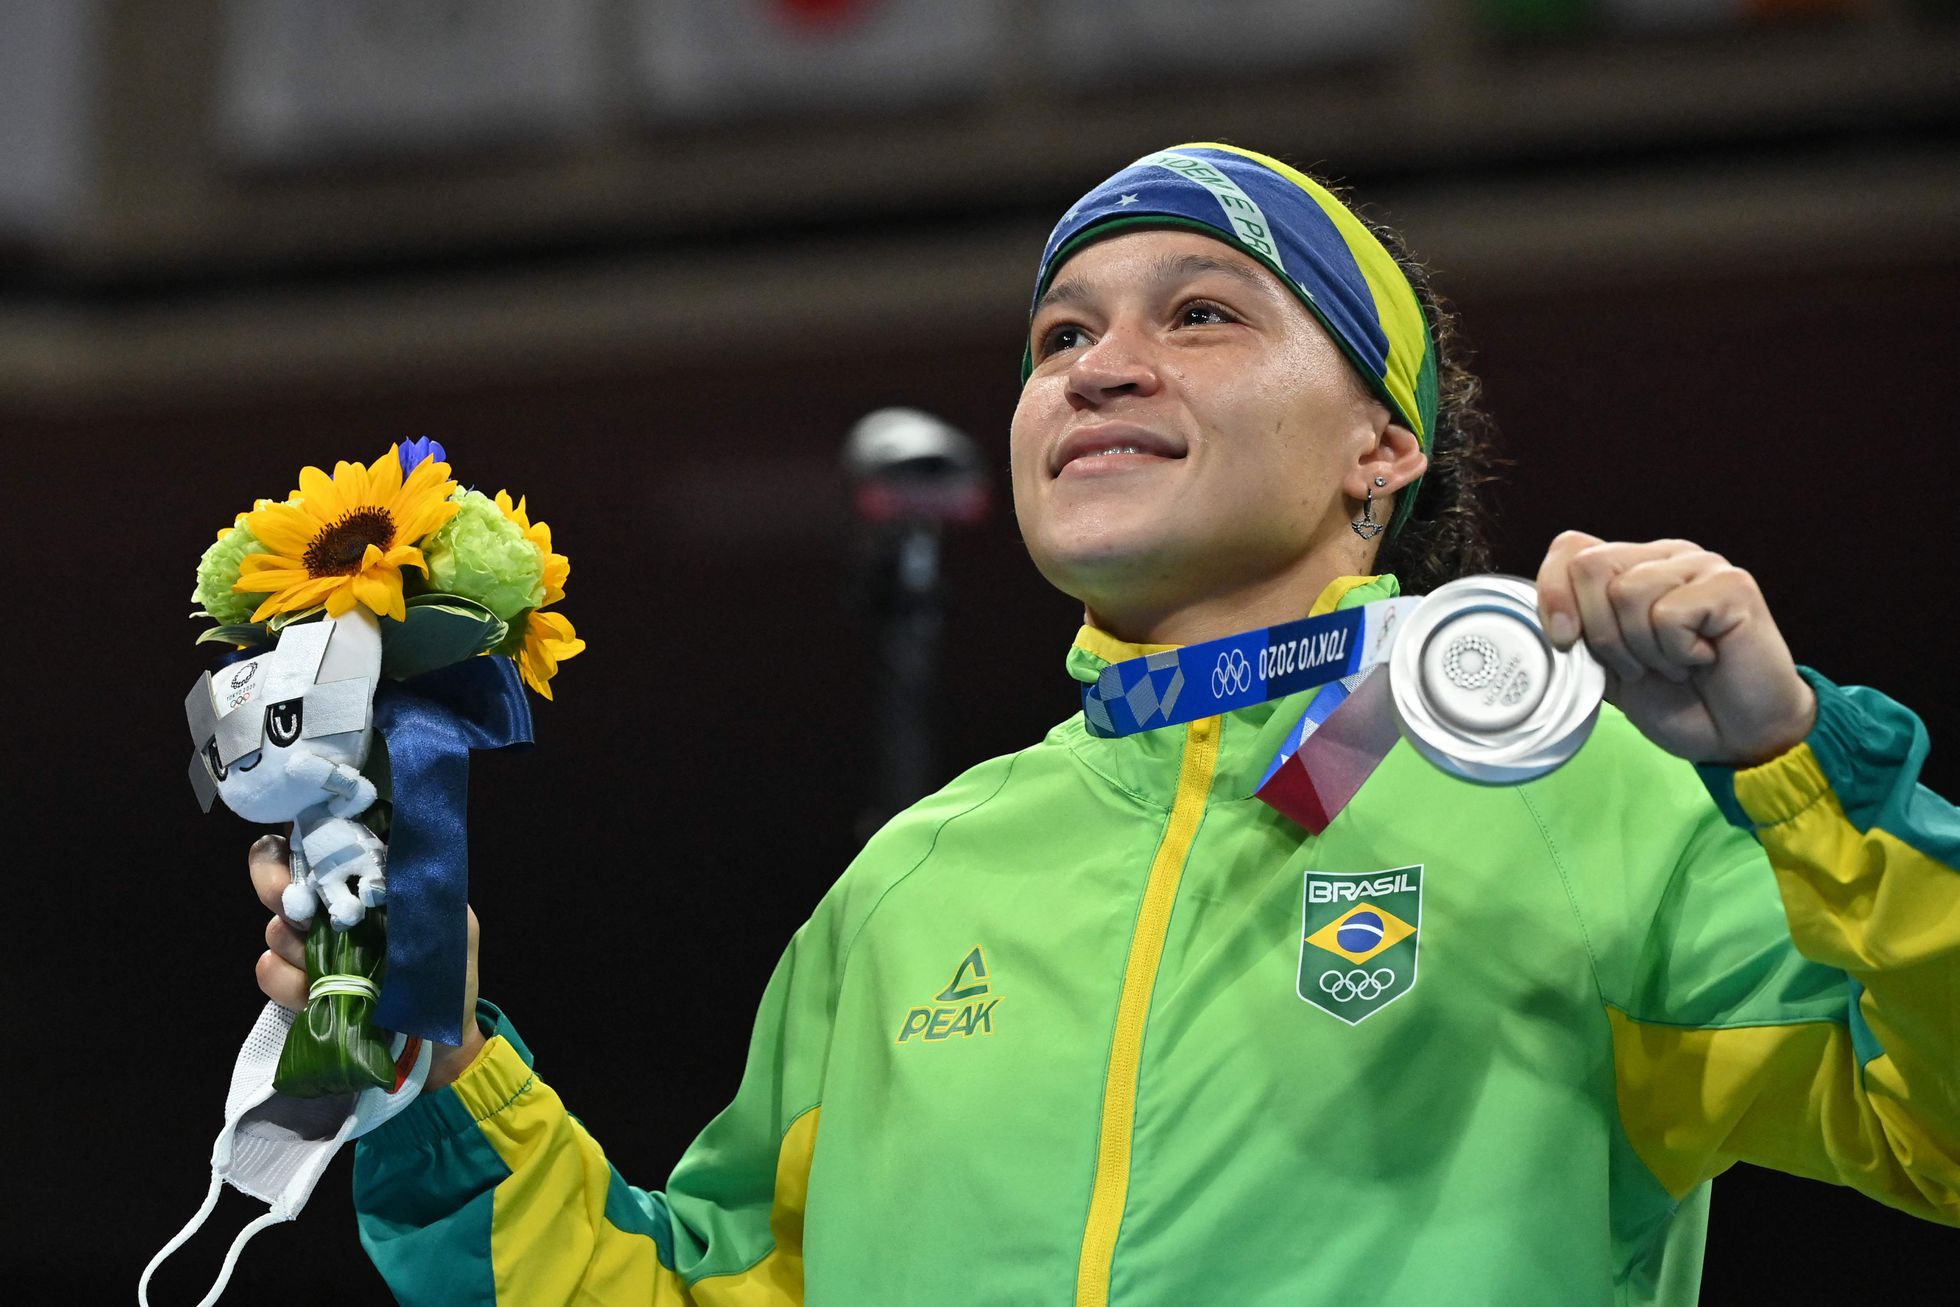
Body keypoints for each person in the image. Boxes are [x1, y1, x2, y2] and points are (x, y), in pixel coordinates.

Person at [249, 143, 1958, 1305]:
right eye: (1060, 334)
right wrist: (431, 1072)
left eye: (1201, 314)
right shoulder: (917, 882)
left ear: (1385, 442)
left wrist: (1788, 760)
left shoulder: (1584, 781)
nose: (1098, 366)